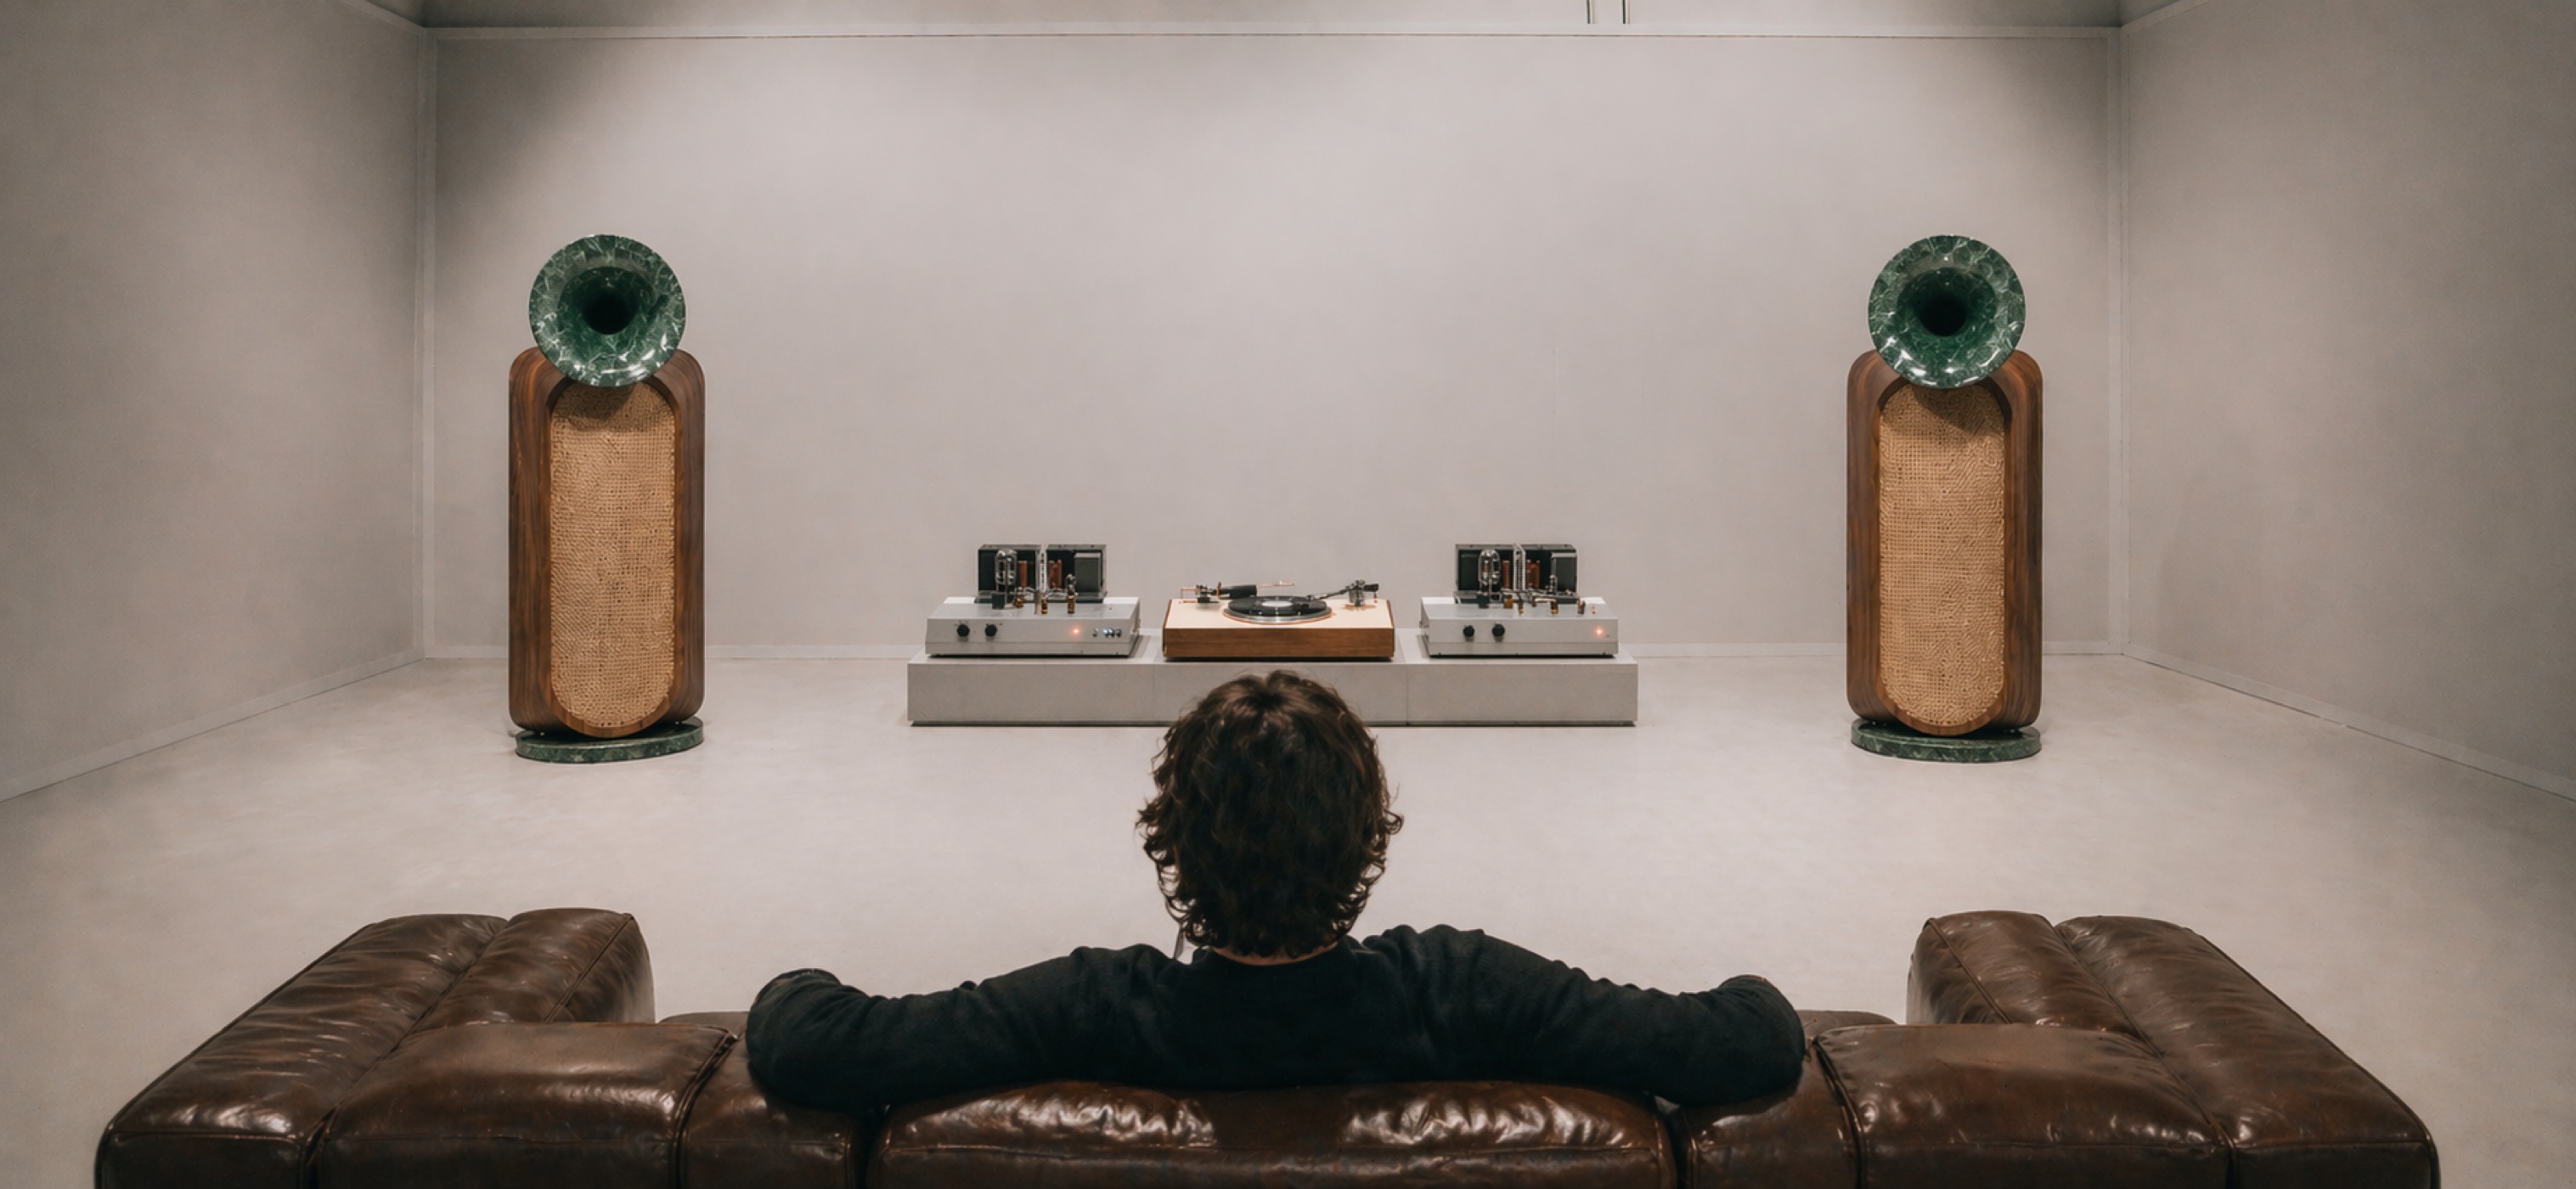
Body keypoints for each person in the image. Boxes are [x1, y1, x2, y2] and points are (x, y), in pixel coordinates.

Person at [747, 670, 1803, 1112]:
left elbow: (806, 1035)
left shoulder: (1095, 1007)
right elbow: (1751, 1036)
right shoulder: (1465, 987)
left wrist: (797, 972)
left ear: (1173, 839)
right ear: (1364, 836)